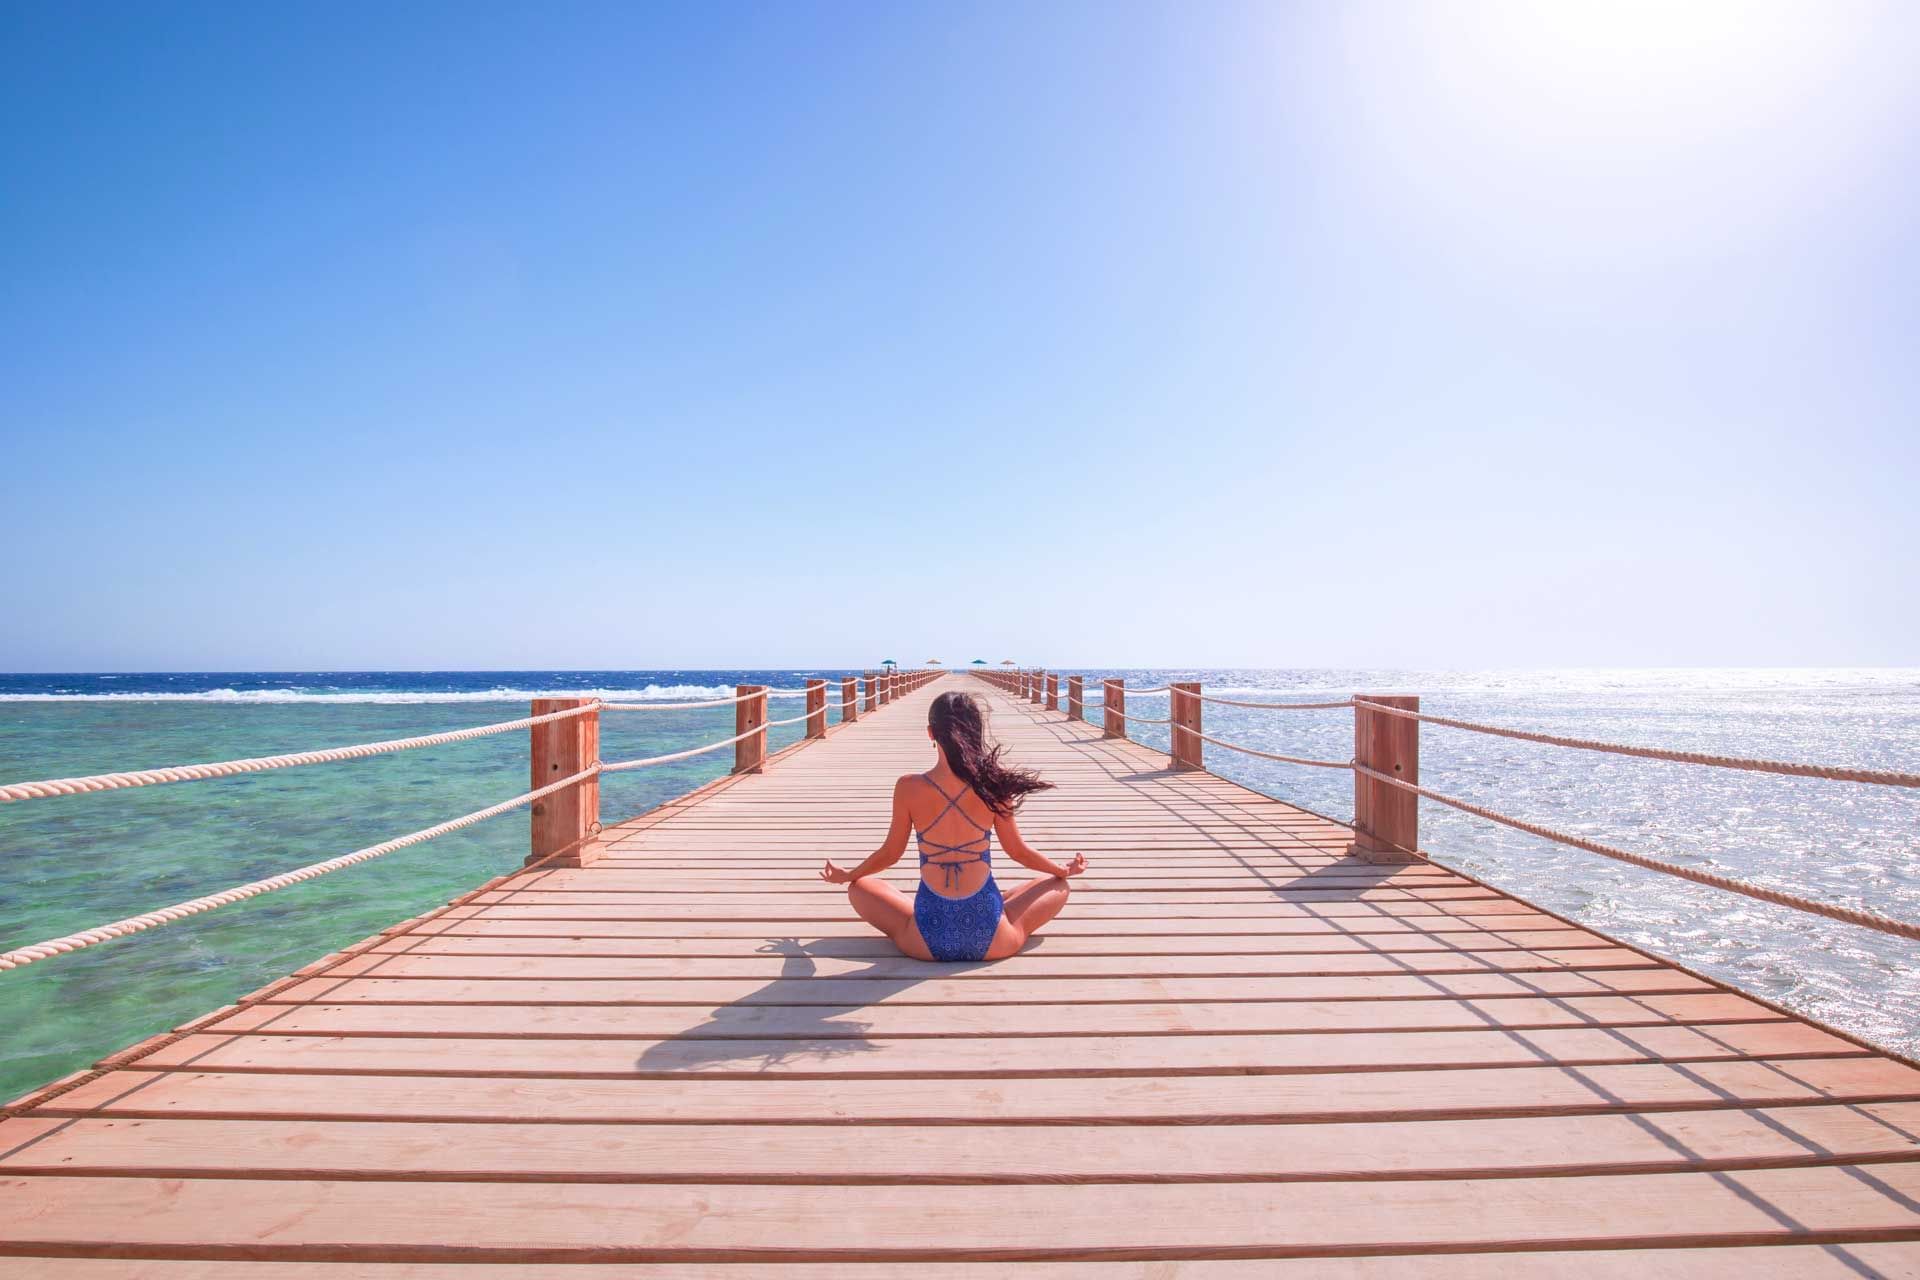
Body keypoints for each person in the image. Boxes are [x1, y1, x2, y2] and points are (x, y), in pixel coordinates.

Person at [820, 689, 1087, 961]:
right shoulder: (993, 786)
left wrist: (849, 874)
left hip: (924, 942)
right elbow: (1018, 851)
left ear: (931, 733)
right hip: (994, 940)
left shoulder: (908, 787)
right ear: (976, 732)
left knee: (860, 887)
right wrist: (1062, 869)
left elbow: (890, 854)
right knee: (1056, 885)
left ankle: (944, 911)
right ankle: (994, 907)